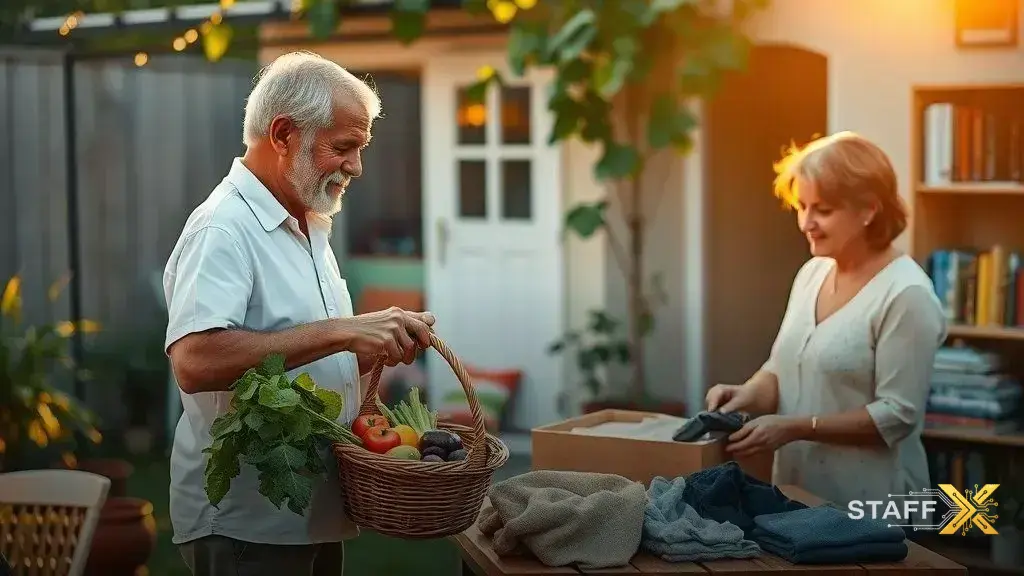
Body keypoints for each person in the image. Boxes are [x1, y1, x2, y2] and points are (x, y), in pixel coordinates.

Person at [163, 51, 435, 576]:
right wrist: (344, 330)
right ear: (284, 134)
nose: (356, 165)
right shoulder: (223, 230)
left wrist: (371, 346)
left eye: (360, 148)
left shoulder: (308, 223)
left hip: (311, 514)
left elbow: (304, 358)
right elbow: (195, 361)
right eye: (343, 147)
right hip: (246, 525)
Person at [705, 131, 947, 511]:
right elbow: (785, 367)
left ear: (868, 209)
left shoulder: (906, 295)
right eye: (801, 206)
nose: (806, 223)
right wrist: (747, 393)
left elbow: (897, 416)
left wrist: (793, 427)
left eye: (823, 210)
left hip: (873, 505)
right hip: (798, 494)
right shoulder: (812, 274)